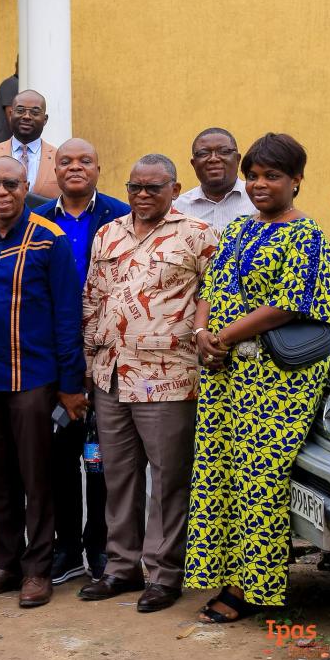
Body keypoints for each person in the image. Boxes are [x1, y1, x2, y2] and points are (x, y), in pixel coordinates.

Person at [185, 133, 330, 623]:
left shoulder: (308, 237)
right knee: (220, 475)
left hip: (277, 380)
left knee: (260, 481)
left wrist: (222, 337)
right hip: (225, 372)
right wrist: (202, 330)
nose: (258, 184)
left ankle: (253, 587)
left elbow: (287, 306)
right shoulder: (237, 230)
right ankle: (228, 575)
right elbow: (212, 284)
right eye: (253, 176)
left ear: (297, 180)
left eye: (272, 175)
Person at [78, 155, 217, 612]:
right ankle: (120, 568)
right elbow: (94, 297)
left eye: (152, 188)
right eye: (135, 186)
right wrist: (88, 360)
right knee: (117, 476)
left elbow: (212, 299)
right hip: (111, 374)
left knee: (169, 478)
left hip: (168, 376)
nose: (141, 195)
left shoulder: (198, 235)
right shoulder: (108, 232)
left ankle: (163, 573)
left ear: (175, 189)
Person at [0, 156, 86, 609]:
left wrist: (71, 385)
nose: (1, 192)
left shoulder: (48, 239)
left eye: (10, 184)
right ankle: (5, 565)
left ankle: (38, 570)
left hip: (33, 376)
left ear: (26, 184)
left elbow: (68, 315)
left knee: (38, 477)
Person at [33, 138, 130, 585]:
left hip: (108, 352)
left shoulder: (120, 216)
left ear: (98, 168)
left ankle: (102, 549)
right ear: (53, 168)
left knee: (103, 461)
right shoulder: (37, 218)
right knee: (58, 461)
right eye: (65, 161)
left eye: (84, 161)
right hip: (52, 354)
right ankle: (67, 548)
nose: (75, 167)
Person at [0, 89, 58, 202]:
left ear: (45, 120)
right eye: (20, 110)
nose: (27, 116)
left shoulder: (59, 158)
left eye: (34, 112)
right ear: (11, 114)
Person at [174, 128, 257, 231]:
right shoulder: (178, 208)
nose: (213, 159)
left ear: (237, 159)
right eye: (204, 153)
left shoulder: (257, 199)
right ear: (193, 163)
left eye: (224, 151)